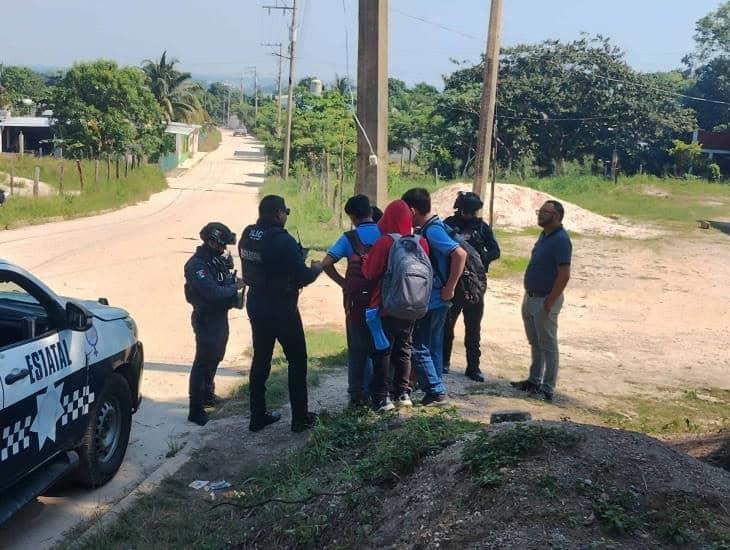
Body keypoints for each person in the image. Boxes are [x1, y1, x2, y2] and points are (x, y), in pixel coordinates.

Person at [240, 195, 323, 432]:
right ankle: (300, 418)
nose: (286, 216)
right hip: (281, 307)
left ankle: (257, 416)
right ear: (278, 213)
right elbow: (302, 277)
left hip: (256, 302)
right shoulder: (283, 240)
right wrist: (317, 268)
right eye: (285, 212)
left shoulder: (248, 234)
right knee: (297, 360)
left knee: (261, 359)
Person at [362, 200, 431, 411]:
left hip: (385, 305)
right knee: (404, 348)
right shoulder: (421, 242)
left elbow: (369, 273)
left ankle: (382, 398)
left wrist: (367, 259)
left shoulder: (385, 242)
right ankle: (403, 393)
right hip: (413, 305)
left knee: (382, 350)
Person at [402, 188, 467, 406]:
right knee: (433, 346)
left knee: (419, 344)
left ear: (412, 210)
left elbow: (460, 254)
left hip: (435, 298)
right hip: (439, 297)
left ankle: (436, 391)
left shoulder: (433, 231)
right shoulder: (432, 227)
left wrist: (450, 286)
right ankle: (435, 385)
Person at [321, 195, 382, 407]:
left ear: (353, 217)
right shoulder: (386, 235)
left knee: (357, 350)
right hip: (383, 303)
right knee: (382, 347)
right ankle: (381, 393)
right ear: (371, 212)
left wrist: (343, 283)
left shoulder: (349, 238)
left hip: (356, 305)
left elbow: (326, 263)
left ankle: (357, 396)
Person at [511, 200, 572, 402]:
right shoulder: (544, 235)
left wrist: (550, 301)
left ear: (557, 216)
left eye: (545, 212)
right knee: (535, 342)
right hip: (531, 297)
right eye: (540, 211)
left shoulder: (561, 240)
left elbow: (564, 275)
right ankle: (534, 380)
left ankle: (548, 387)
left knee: (548, 344)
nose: (540, 215)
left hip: (545, 299)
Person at [184, 222, 244, 426]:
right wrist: (233, 288)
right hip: (206, 318)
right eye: (221, 245)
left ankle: (208, 394)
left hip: (219, 316)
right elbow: (212, 292)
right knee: (203, 360)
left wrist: (232, 285)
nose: (224, 249)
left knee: (216, 355)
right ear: (210, 241)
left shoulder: (217, 261)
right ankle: (195, 408)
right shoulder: (197, 265)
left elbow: (225, 282)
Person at [443, 191, 501, 382]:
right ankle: (444, 362)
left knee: (473, 328)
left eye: (472, 211)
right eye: (466, 211)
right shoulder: (448, 225)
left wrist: (479, 257)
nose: (469, 214)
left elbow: (495, 251)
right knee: (446, 326)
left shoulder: (482, 228)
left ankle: (473, 367)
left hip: (474, 285)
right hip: (452, 282)